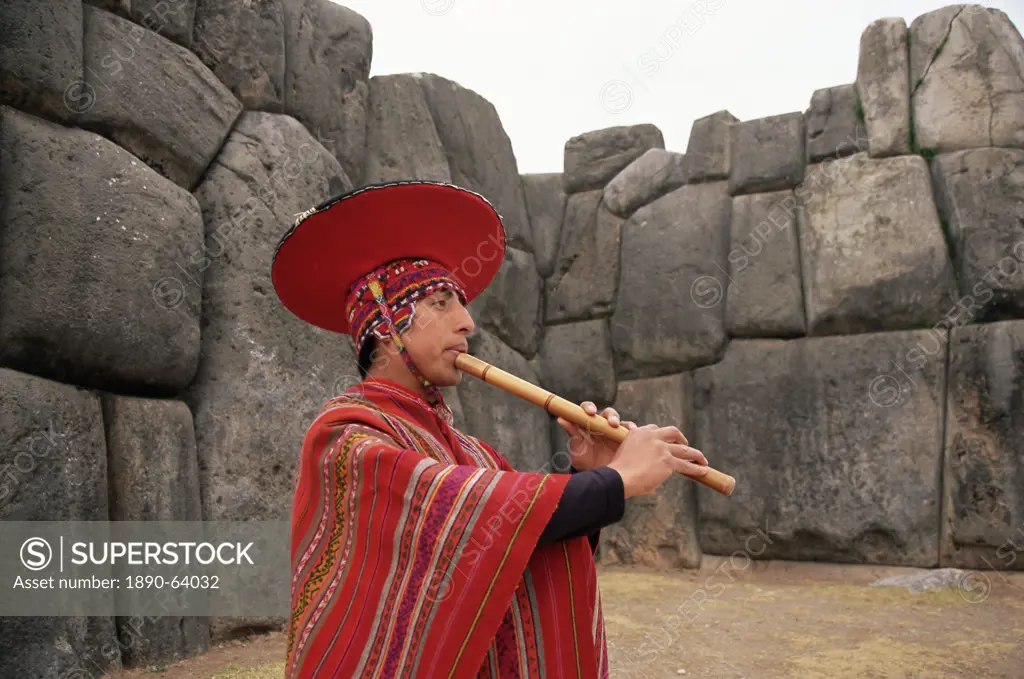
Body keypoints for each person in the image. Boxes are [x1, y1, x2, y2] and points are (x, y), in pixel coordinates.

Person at [271, 180, 710, 679]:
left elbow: (519, 543)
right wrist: (620, 480)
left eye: (459, 302)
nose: (467, 323)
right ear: (384, 323)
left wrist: (592, 470)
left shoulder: (472, 453)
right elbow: (457, 510)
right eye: (439, 302)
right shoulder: (345, 436)